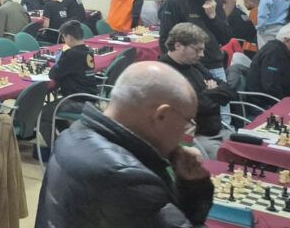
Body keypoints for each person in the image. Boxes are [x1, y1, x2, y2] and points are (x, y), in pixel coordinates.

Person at [34, 62, 213, 227]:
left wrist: (190, 183)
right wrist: (196, 189)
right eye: (187, 122)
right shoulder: (130, 178)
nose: (187, 131)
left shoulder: (73, 134)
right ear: (161, 116)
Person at [158, 23, 235, 159]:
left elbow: (229, 92)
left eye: (202, 50)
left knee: (250, 150)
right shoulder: (165, 72)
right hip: (194, 139)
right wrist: (213, 91)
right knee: (231, 161)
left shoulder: (195, 65)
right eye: (197, 50)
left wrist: (207, 93)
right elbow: (197, 106)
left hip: (219, 131)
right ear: (178, 45)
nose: (202, 54)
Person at [160, 0, 231, 93]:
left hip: (213, 62)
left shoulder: (215, 2)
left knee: (223, 99)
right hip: (187, 65)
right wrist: (173, 65)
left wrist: (213, 17)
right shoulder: (175, 3)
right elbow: (165, 39)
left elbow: (225, 38)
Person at [38, 20, 98, 146]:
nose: (64, 40)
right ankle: (68, 142)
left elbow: (53, 74)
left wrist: (59, 60)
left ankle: (57, 149)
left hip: (77, 99)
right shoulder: (88, 50)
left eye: (64, 37)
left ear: (69, 37)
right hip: (91, 97)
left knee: (43, 114)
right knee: (54, 112)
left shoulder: (71, 54)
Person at [246, 24, 290, 106]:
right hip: (263, 104)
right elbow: (271, 86)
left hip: (273, 100)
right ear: (287, 40)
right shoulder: (274, 53)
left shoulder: (281, 51)